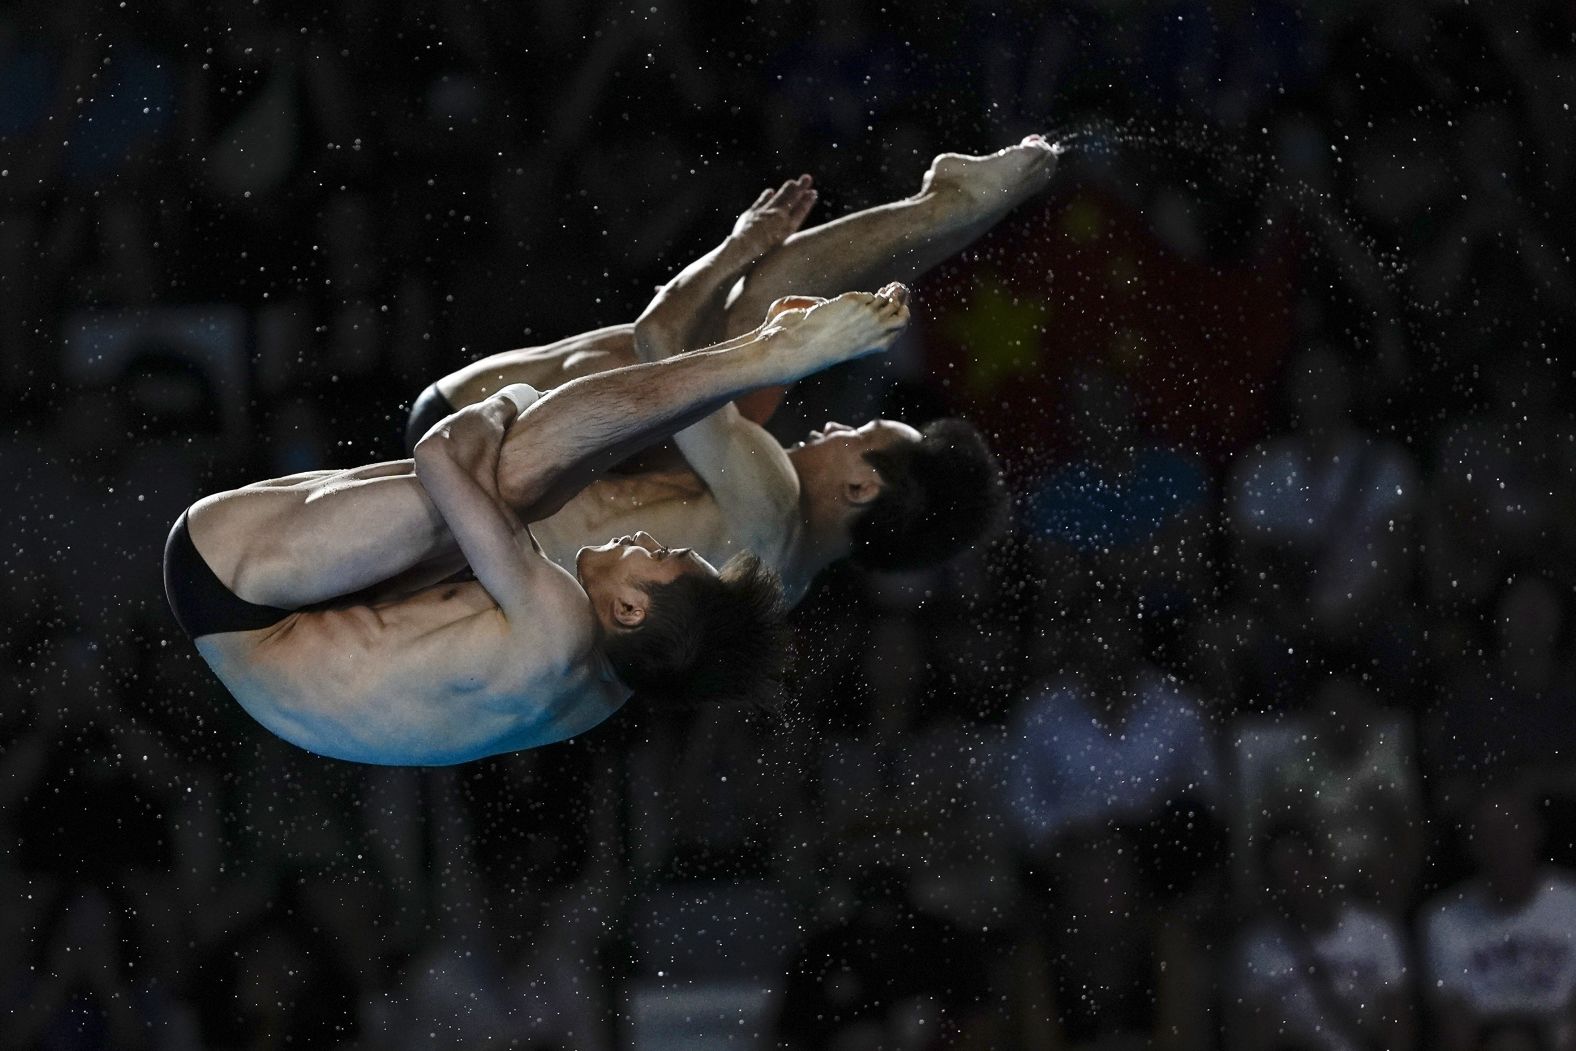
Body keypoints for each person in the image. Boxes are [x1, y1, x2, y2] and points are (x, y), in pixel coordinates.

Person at [163, 284, 911, 765]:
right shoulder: (600, 688)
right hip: (277, 647)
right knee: (531, 486)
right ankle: (752, 362)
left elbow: (439, 451)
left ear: (629, 607)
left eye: (664, 555)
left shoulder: (558, 624)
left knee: (516, 473)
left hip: (236, 580)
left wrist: (509, 399)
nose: (651, 540)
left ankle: (750, 357)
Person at [408, 138, 1057, 601]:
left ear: (862, 487)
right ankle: (954, 208)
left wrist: (737, 246)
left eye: (857, 433)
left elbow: (657, 340)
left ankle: (948, 206)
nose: (834, 424)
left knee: (734, 338)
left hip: (464, 453)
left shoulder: (770, 505)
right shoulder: (785, 571)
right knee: (749, 351)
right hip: (484, 522)